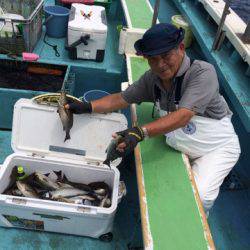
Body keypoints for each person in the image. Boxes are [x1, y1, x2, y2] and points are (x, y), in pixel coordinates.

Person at [65, 23, 241, 214]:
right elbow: (121, 98)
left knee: (201, 196)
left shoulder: (202, 73)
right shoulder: (153, 79)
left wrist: (140, 132)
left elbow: (183, 116)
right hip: (177, 142)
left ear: (181, 48)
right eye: (153, 59)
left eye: (166, 56)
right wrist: (87, 107)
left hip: (215, 148)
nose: (160, 65)